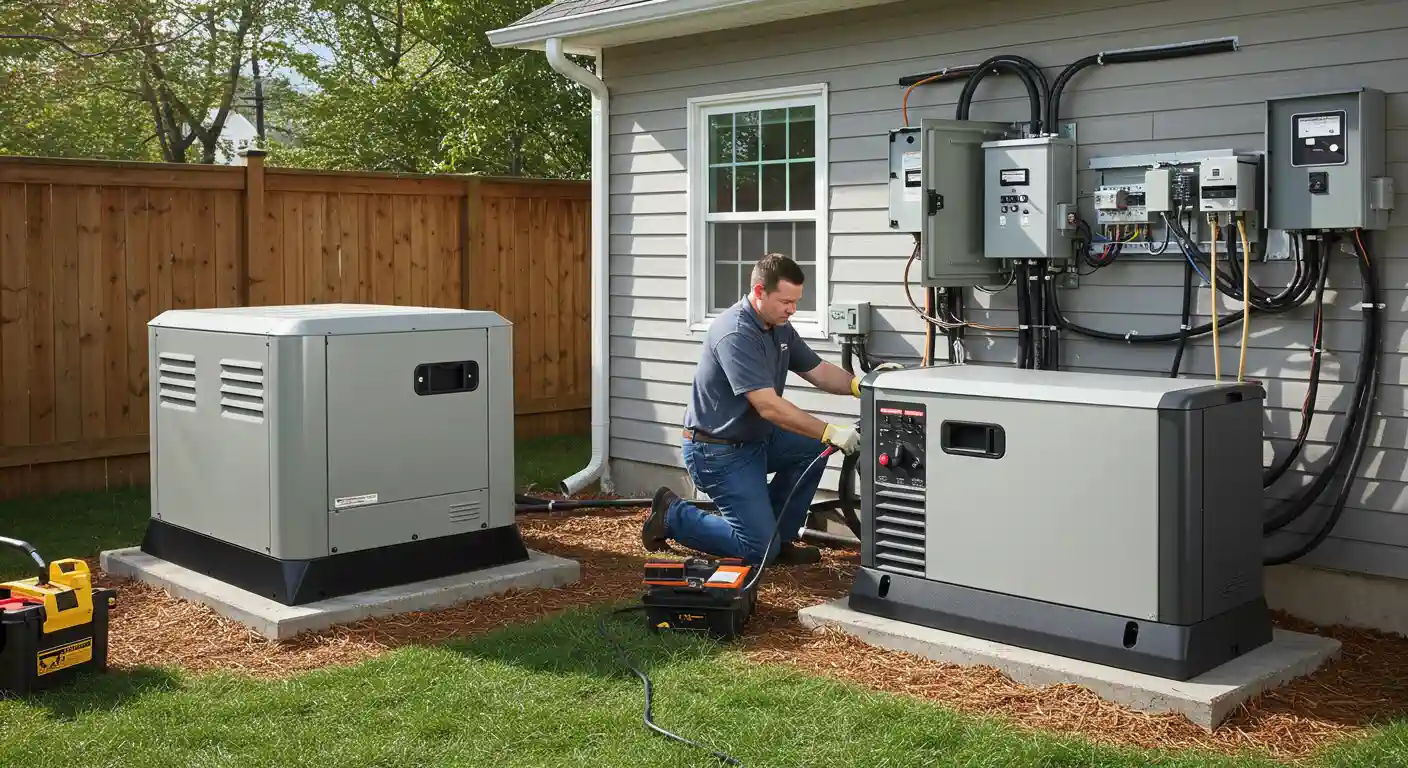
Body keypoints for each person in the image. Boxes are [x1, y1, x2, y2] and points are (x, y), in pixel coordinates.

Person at [640, 253, 890, 565]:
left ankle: (780, 538)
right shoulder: (735, 333)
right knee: (756, 550)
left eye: (796, 301)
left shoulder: (778, 326)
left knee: (813, 447)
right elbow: (769, 406)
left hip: (757, 439)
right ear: (759, 292)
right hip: (718, 452)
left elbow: (818, 370)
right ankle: (672, 515)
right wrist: (830, 431)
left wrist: (862, 387)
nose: (793, 309)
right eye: (786, 300)